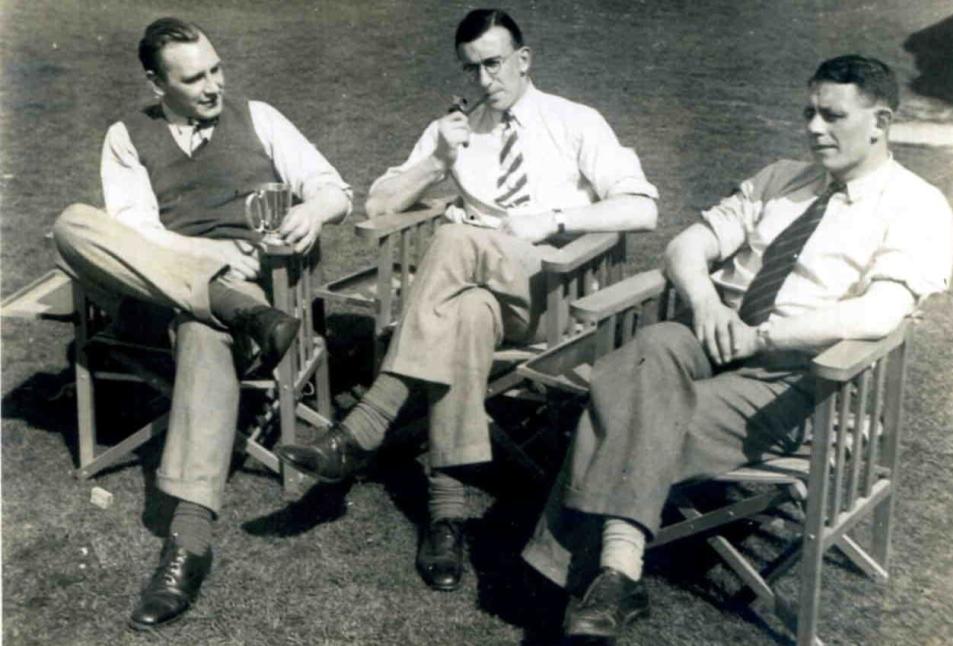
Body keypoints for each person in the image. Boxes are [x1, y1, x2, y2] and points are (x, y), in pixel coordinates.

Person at [520, 54, 953, 641]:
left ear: (880, 121)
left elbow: (881, 311)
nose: (813, 128)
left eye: (832, 116)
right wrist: (705, 304)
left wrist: (767, 335)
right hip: (712, 333)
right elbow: (686, 247)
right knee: (648, 348)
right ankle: (614, 580)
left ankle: (610, 575)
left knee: (626, 402)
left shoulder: (916, 205)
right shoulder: (780, 178)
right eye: (808, 112)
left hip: (798, 376)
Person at [277, 8, 659, 592]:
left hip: (552, 294)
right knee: (464, 315)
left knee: (455, 238)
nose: (484, 81)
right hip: (475, 296)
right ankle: (447, 516)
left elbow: (642, 208)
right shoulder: (455, 129)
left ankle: (367, 422)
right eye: (471, 69)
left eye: (494, 64)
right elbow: (377, 208)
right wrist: (438, 162)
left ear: (523, 60)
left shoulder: (575, 122)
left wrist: (551, 221)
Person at [52, 17, 352, 630]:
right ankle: (234, 309)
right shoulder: (127, 136)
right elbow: (134, 232)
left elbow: (333, 187)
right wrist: (207, 260)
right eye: (194, 78)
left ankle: (186, 543)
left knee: (202, 331)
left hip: (249, 286)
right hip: (166, 287)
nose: (214, 86)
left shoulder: (259, 117)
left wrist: (316, 209)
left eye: (216, 69)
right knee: (72, 226)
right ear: (156, 83)